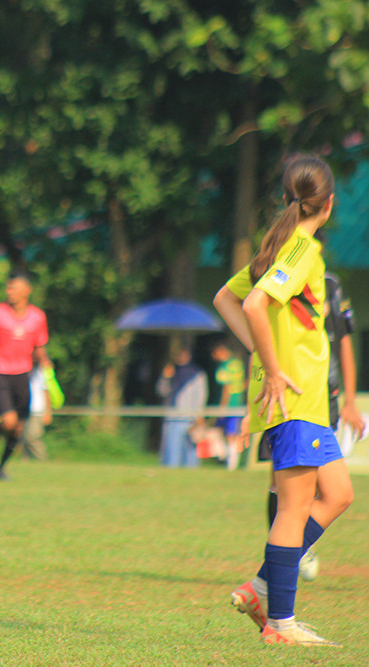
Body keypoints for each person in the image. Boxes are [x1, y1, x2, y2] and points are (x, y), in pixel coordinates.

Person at [213, 154, 353, 646]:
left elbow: (225, 298)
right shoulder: (300, 251)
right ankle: (280, 624)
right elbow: (252, 304)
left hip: (307, 401)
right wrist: (271, 367)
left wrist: (261, 351)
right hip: (294, 398)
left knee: (338, 494)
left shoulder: (280, 247)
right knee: (294, 509)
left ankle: (260, 588)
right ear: (329, 203)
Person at [258, 269, 365, 582]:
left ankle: (286, 558)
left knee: (325, 487)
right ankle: (284, 561)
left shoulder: (329, 284)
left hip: (323, 395)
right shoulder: (276, 278)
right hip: (288, 392)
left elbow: (343, 341)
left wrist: (349, 399)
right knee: (282, 481)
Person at [0, 272, 48, 480]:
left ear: (27, 291)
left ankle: (0, 468)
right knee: (9, 421)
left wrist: (44, 360)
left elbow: (39, 346)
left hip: (23, 373)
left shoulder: (37, 317)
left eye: (13, 288)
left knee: (18, 428)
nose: (9, 292)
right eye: (7, 288)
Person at [155, 346, 208, 468]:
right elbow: (161, 391)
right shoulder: (171, 372)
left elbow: (201, 396)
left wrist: (199, 415)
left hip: (189, 419)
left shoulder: (197, 374)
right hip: (172, 418)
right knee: (171, 451)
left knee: (189, 452)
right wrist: (165, 377)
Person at [211, 340, 246, 469]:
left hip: (229, 405)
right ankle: (231, 461)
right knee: (231, 433)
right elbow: (245, 382)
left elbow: (226, 388)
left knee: (219, 432)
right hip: (238, 403)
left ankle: (226, 458)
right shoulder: (238, 363)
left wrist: (222, 407)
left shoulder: (224, 368)